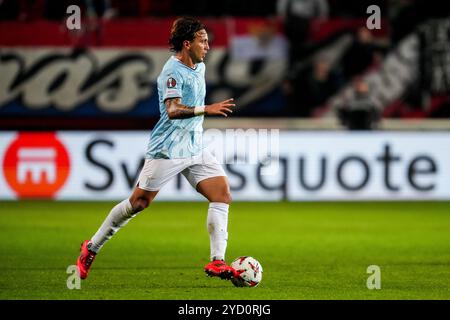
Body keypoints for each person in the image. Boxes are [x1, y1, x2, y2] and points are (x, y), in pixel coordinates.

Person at [75, 17, 238, 281]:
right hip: (168, 148)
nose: (208, 46)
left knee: (221, 194)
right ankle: (91, 248)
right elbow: (173, 110)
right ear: (187, 44)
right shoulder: (171, 73)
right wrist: (206, 109)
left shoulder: (200, 67)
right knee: (138, 203)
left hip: (195, 146)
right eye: (202, 40)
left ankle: (218, 261)